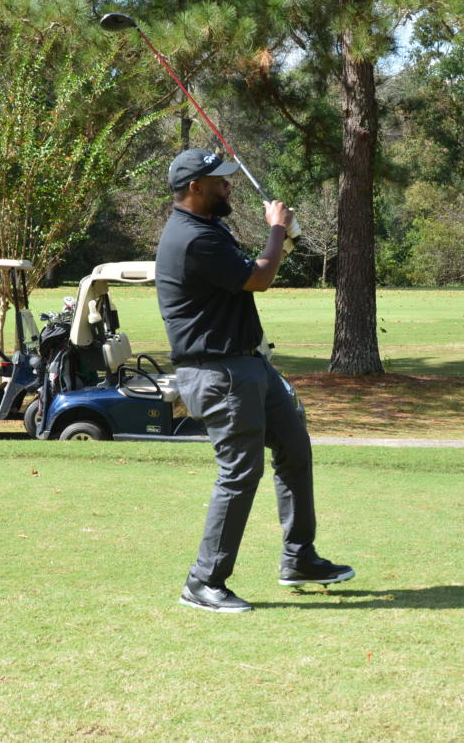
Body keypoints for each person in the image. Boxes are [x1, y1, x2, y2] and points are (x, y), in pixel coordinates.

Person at [155, 148, 354, 613]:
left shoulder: (209, 228)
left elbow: (256, 270)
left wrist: (284, 239)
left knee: (294, 448)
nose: (229, 186)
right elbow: (258, 279)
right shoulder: (191, 238)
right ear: (195, 187)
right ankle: (203, 582)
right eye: (220, 181)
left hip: (247, 365)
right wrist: (277, 228)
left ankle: (299, 558)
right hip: (217, 372)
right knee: (240, 473)